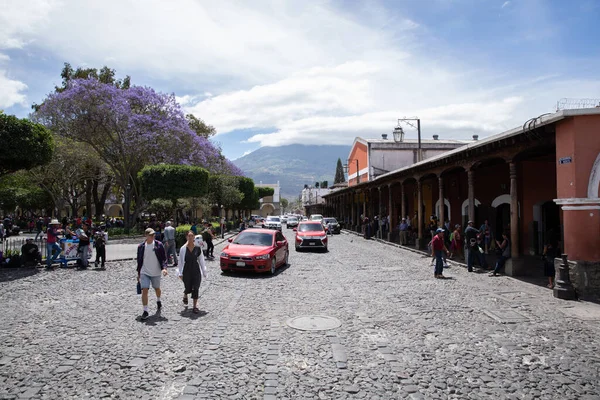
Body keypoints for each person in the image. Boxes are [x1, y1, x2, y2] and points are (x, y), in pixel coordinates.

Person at [136, 228, 168, 321]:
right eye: (150, 235)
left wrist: (164, 268)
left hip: (156, 271)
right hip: (144, 271)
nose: (153, 236)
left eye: (153, 234)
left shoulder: (159, 245)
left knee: (157, 288)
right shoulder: (141, 247)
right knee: (144, 290)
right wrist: (138, 273)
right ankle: (145, 310)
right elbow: (139, 261)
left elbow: (163, 258)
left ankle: (158, 300)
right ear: (146, 235)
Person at [178, 231, 207, 314]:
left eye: (192, 236)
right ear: (186, 237)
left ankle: (195, 306)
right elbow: (180, 261)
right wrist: (180, 273)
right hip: (186, 270)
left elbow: (201, 260)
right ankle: (185, 294)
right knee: (188, 287)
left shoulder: (198, 248)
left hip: (195, 269)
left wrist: (204, 271)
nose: (190, 237)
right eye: (188, 236)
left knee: (196, 287)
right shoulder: (183, 249)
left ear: (194, 237)